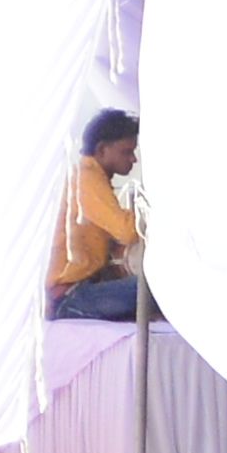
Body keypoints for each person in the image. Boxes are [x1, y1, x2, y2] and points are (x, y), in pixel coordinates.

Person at [47, 109, 150, 322]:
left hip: (76, 291)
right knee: (162, 286)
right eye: (126, 152)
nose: (133, 159)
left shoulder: (86, 177)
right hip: (70, 297)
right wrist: (152, 211)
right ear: (102, 149)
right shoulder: (86, 178)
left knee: (158, 286)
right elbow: (127, 231)